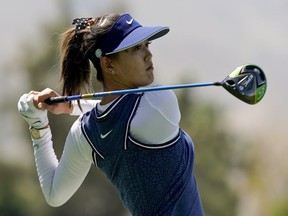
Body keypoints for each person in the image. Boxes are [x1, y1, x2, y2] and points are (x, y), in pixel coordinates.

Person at [17, 13, 204, 216]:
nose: (148, 55)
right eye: (135, 48)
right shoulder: (160, 101)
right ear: (108, 65)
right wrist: (73, 107)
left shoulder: (84, 133)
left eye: (146, 44)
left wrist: (38, 124)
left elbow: (54, 194)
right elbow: (125, 111)